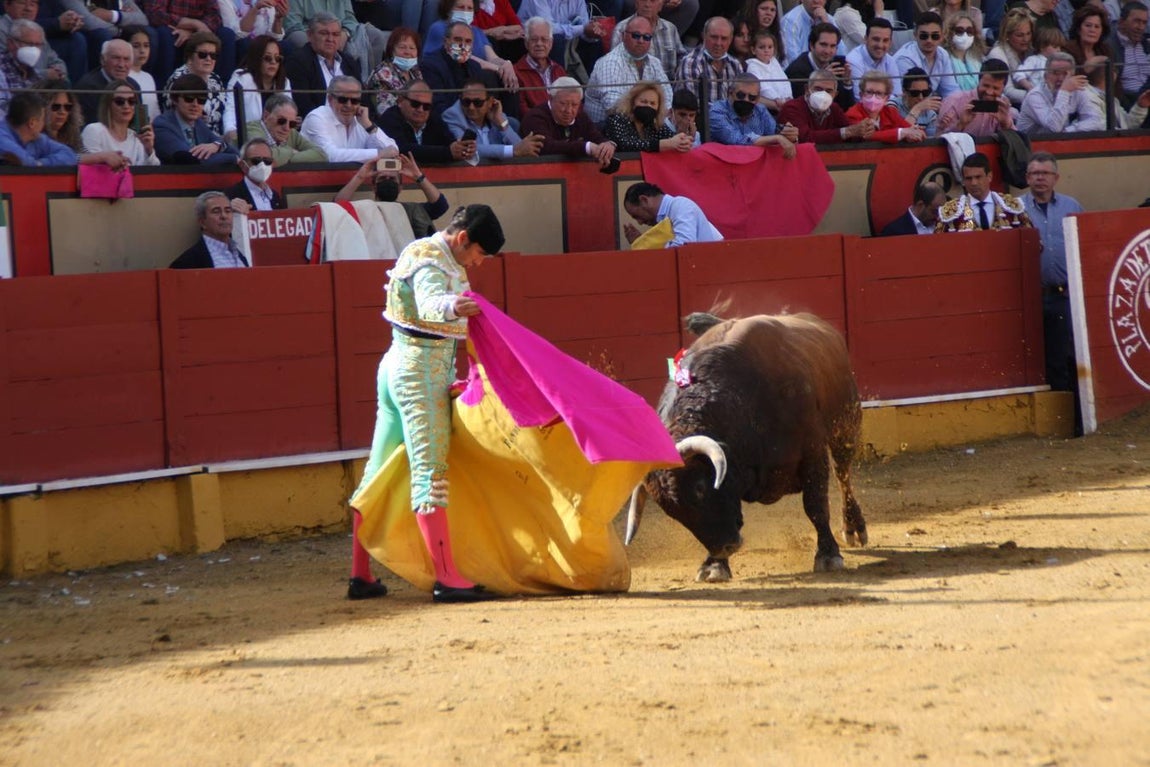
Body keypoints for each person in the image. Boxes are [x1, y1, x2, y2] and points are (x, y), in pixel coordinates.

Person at [347, 203, 505, 604]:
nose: (479, 263)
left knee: (377, 471)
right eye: (479, 254)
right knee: (429, 474)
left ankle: (360, 574)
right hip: (418, 375)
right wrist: (454, 306)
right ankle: (447, 577)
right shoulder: (431, 258)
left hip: (403, 366)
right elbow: (430, 302)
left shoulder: (439, 257)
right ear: (462, 238)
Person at [1019, 151, 1084, 421]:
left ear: (1055, 177)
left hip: (1066, 294)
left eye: (1044, 173)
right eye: (1034, 174)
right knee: (1040, 359)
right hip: (1030, 296)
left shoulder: (1072, 207)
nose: (1040, 179)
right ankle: (1055, 418)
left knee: (1068, 355)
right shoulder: (1016, 208)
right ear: (1027, 178)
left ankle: (1073, 418)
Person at [334, 151, 450, 236]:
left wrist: (418, 176)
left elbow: (440, 205)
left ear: (400, 188)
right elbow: (337, 207)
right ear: (374, 187)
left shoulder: (412, 210)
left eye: (392, 179)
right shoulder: (363, 210)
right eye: (383, 178)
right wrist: (360, 177)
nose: (387, 180)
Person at [584, 15, 674, 125]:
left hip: (643, 123)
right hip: (606, 128)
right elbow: (613, 107)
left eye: (646, 37)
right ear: (623, 36)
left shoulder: (655, 63)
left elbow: (667, 98)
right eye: (636, 35)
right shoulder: (610, 62)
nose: (641, 41)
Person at [421, 0, 518, 92]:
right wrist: (497, 68)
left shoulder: (477, 32)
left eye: (469, 8)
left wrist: (506, 64)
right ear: (449, 9)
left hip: (475, 78)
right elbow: (463, 56)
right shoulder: (439, 28)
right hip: (448, 76)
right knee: (490, 76)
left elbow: (493, 58)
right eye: (461, 7)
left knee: (510, 79)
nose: (465, 12)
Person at [520, 76, 617, 167]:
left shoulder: (581, 117)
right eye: (563, 103)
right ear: (550, 98)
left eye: (574, 105)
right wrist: (586, 147)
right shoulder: (535, 117)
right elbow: (546, 146)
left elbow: (597, 137)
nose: (568, 110)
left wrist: (607, 145)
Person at [300, 75, 399, 163]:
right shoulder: (317, 117)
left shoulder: (361, 120)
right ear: (330, 99)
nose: (348, 105)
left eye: (354, 101)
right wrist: (378, 154)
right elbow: (329, 155)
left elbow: (393, 150)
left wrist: (369, 126)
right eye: (343, 100)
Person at [283, 12, 364, 118]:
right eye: (324, 33)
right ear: (309, 35)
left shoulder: (349, 62)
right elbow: (303, 106)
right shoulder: (298, 62)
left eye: (335, 34)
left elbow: (363, 100)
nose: (330, 39)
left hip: (351, 123)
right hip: (318, 124)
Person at [442, 77, 544, 161]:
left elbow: (521, 149)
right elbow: (468, 149)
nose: (471, 107)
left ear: (490, 102)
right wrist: (512, 151)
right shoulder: (452, 115)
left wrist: (502, 124)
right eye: (466, 102)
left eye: (478, 103)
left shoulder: (497, 114)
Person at [280, 0, 386, 79]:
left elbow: (350, 20)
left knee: (375, 35)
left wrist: (344, 34)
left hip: (340, 32)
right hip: (312, 34)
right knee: (298, 37)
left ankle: (370, 83)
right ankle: (320, 76)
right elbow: (292, 25)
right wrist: (319, 34)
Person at [141, 0, 237, 86]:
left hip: (198, 31)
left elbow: (215, 16)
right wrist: (195, 24)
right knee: (164, 34)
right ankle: (165, 90)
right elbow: (155, 14)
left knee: (227, 34)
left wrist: (193, 31)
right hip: (172, 29)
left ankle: (223, 89)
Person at [152, 72, 240, 164]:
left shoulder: (199, 124)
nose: (195, 105)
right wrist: (233, 159)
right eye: (189, 99)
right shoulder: (161, 125)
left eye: (201, 100)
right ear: (175, 99)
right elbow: (192, 160)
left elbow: (233, 150)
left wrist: (217, 146)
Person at [379, 79, 472, 164]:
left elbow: (450, 143)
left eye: (426, 106)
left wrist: (460, 148)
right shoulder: (389, 119)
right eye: (415, 104)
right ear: (400, 101)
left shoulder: (434, 118)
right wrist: (447, 152)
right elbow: (402, 149)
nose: (420, 109)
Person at [936, 151, 1031, 231]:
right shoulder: (950, 212)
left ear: (989, 176)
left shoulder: (1013, 206)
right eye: (969, 178)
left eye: (978, 177)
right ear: (963, 181)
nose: (974, 183)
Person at [223, 34, 292, 142]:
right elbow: (231, 109)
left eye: (277, 58)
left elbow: (288, 115)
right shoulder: (241, 78)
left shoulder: (285, 82)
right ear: (256, 58)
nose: (273, 62)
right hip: (250, 138)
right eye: (268, 58)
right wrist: (230, 131)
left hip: (278, 138)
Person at [708, 72, 797, 154]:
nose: (746, 100)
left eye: (752, 97)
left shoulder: (760, 109)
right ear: (730, 93)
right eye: (741, 95)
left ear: (758, 99)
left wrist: (789, 135)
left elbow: (773, 133)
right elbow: (737, 141)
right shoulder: (717, 111)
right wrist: (777, 138)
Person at [777, 67, 875, 142]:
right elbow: (804, 137)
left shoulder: (834, 108)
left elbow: (850, 134)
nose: (823, 94)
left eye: (829, 91)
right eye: (818, 89)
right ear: (807, 89)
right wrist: (847, 132)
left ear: (835, 95)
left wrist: (863, 131)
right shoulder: (792, 108)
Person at [1018, 50, 1105, 132]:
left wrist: (1069, 130)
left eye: (1065, 74)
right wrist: (1064, 91)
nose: (1060, 78)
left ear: (1072, 75)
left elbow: (1098, 121)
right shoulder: (1035, 95)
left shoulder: (1079, 90)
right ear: (1045, 76)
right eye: (1055, 73)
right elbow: (1054, 127)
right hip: (1030, 144)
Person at [80, 78, 160, 165]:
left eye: (131, 101)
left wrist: (149, 149)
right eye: (120, 101)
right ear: (108, 105)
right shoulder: (94, 130)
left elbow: (152, 173)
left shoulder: (136, 137)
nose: (126, 106)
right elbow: (91, 168)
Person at [162, 30, 225, 135]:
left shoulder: (216, 79)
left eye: (213, 55)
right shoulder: (178, 80)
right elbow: (172, 116)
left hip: (214, 139)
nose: (208, 59)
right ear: (190, 57)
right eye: (202, 55)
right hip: (185, 137)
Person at [622, 181, 723, 247]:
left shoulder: (681, 206)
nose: (639, 222)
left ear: (644, 200)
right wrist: (642, 242)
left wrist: (645, 245)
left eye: (637, 216)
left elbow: (683, 247)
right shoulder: (670, 213)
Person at [418, 19, 485, 116]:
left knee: (511, 122)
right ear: (445, 41)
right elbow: (437, 106)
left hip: (474, 116)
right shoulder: (431, 65)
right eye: (458, 40)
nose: (463, 45)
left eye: (468, 41)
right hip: (448, 118)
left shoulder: (475, 67)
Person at [604, 79, 691, 152]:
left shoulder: (655, 125)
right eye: (643, 102)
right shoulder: (617, 119)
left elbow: (672, 139)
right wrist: (663, 144)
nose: (648, 106)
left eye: (652, 103)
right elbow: (624, 144)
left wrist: (683, 138)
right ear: (632, 102)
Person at [785, 21, 856, 109]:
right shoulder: (797, 70)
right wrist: (822, 78)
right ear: (811, 45)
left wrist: (847, 83)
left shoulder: (835, 65)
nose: (827, 51)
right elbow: (807, 107)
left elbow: (847, 108)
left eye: (832, 46)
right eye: (823, 45)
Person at [170, 190, 250, 268]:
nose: (224, 216)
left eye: (228, 211)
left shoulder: (240, 256)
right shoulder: (186, 263)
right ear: (202, 222)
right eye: (216, 211)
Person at [674, 17, 745, 103]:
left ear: (730, 40)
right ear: (703, 36)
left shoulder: (735, 64)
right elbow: (691, 106)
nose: (718, 43)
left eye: (724, 38)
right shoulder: (690, 63)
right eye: (714, 37)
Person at [938, 57, 1016, 134]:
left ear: (1003, 89)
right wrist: (961, 124)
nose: (989, 92)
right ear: (979, 81)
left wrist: (1005, 123)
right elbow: (938, 138)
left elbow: (1017, 142)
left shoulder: (1002, 107)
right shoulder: (954, 101)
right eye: (986, 85)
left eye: (995, 88)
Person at [845, 69, 926, 141]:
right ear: (861, 94)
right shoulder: (852, 114)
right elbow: (866, 135)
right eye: (869, 92)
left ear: (886, 98)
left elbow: (908, 129)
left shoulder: (890, 112)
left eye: (879, 93)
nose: (873, 97)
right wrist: (901, 133)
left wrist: (915, 131)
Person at [610, 0, 684, 79]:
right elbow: (613, 64)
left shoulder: (670, 28)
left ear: (660, 6)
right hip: (633, 87)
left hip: (667, 85)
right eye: (643, 0)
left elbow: (682, 58)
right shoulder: (622, 29)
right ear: (636, 3)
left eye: (653, 1)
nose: (647, 5)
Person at [74, 37, 139, 126]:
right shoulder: (88, 88)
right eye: (116, 58)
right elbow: (94, 126)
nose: (121, 64)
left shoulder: (134, 85)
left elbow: (139, 124)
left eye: (126, 59)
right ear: (102, 60)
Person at [0, 89, 77, 164]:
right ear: (32, 123)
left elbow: (69, 155)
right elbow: (24, 163)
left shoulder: (37, 139)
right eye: (43, 119)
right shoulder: (2, 137)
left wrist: (41, 163)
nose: (44, 123)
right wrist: (37, 165)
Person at [894, 10, 959, 99]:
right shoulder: (904, 59)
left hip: (930, 107)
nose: (929, 40)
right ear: (915, 35)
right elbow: (910, 97)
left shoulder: (943, 54)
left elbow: (950, 91)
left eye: (935, 36)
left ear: (942, 37)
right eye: (924, 36)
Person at [246, 93, 325, 164]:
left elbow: (321, 154)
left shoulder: (292, 133)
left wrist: (291, 159)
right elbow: (261, 156)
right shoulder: (252, 129)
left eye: (292, 123)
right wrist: (291, 152)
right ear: (266, 116)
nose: (286, 128)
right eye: (281, 121)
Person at [0, 0, 67, 81]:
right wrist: (45, 75)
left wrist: (58, 71)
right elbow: (7, 72)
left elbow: (55, 61)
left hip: (43, 89)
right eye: (22, 3)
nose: (28, 8)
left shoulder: (34, 30)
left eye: (33, 3)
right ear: (7, 5)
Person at [513, 16, 565, 116]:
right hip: (537, 126)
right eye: (534, 39)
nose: (539, 44)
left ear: (551, 43)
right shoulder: (516, 73)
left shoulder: (559, 70)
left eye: (544, 39)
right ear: (526, 43)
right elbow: (523, 111)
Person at [366, 26, 422, 117]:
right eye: (402, 47)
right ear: (392, 50)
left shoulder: (415, 71)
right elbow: (385, 112)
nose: (407, 52)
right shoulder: (382, 74)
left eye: (412, 48)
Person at [987, 7, 1034, 106]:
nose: (1025, 39)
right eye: (1019, 35)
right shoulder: (997, 54)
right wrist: (1037, 97)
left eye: (1028, 34)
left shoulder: (1032, 50)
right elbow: (1008, 91)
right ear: (1007, 35)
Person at [224, 136, 285, 211]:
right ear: (243, 165)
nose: (262, 165)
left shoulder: (275, 196)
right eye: (256, 160)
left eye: (267, 161)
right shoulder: (231, 196)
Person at [845, 17, 900, 99]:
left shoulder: (890, 60)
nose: (880, 45)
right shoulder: (853, 61)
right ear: (865, 39)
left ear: (890, 43)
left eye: (885, 40)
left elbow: (897, 96)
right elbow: (859, 98)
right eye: (876, 39)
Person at [1108, 1, 1149, 108]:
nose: (1140, 27)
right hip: (1128, 101)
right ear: (1121, 22)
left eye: (1144, 23)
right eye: (1137, 21)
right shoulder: (1109, 45)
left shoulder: (1146, 44)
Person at [0, 19, 42, 121]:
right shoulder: (2, 68)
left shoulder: (35, 75)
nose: (34, 50)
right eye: (29, 44)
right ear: (11, 43)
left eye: (38, 45)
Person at [780, 0, 843, 67]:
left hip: (824, 71)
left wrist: (826, 24)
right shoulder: (791, 21)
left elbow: (842, 54)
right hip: (798, 74)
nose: (816, 1)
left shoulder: (828, 19)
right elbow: (793, 61)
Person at [1014, 25, 1066, 95]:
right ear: (1042, 46)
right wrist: (1030, 88)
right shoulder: (1034, 60)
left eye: (1060, 47)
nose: (1058, 50)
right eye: (1055, 47)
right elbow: (1019, 74)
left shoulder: (1059, 64)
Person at [123, 25, 160, 122]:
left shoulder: (148, 77)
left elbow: (155, 111)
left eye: (146, 46)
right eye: (136, 46)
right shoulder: (124, 76)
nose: (142, 51)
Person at [745, 29, 789, 112]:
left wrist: (788, 95)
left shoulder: (774, 62)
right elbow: (762, 86)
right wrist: (775, 97)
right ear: (753, 50)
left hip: (783, 101)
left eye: (770, 47)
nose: (766, 50)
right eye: (762, 47)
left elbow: (784, 79)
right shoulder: (752, 66)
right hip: (766, 106)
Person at [880, 180, 945, 235]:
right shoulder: (893, 232)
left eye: (941, 211)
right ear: (920, 205)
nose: (939, 216)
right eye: (935, 211)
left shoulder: (946, 226)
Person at [943, 11, 985, 92]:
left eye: (969, 31)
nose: (965, 35)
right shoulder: (944, 57)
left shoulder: (979, 57)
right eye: (959, 31)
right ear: (950, 32)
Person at [895, 65, 942, 135]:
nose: (921, 97)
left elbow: (931, 140)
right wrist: (917, 109)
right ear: (904, 92)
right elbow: (898, 135)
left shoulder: (930, 114)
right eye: (915, 93)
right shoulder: (893, 106)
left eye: (925, 92)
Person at [1065, 5, 1111, 74]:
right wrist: (1086, 68)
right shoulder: (1067, 50)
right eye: (1088, 25)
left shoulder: (1106, 50)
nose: (1092, 30)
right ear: (1078, 29)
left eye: (1097, 26)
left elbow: (1114, 78)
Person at [39, 78, 82, 151]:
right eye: (55, 107)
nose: (62, 112)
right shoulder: (35, 138)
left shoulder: (74, 134)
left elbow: (86, 155)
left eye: (67, 107)